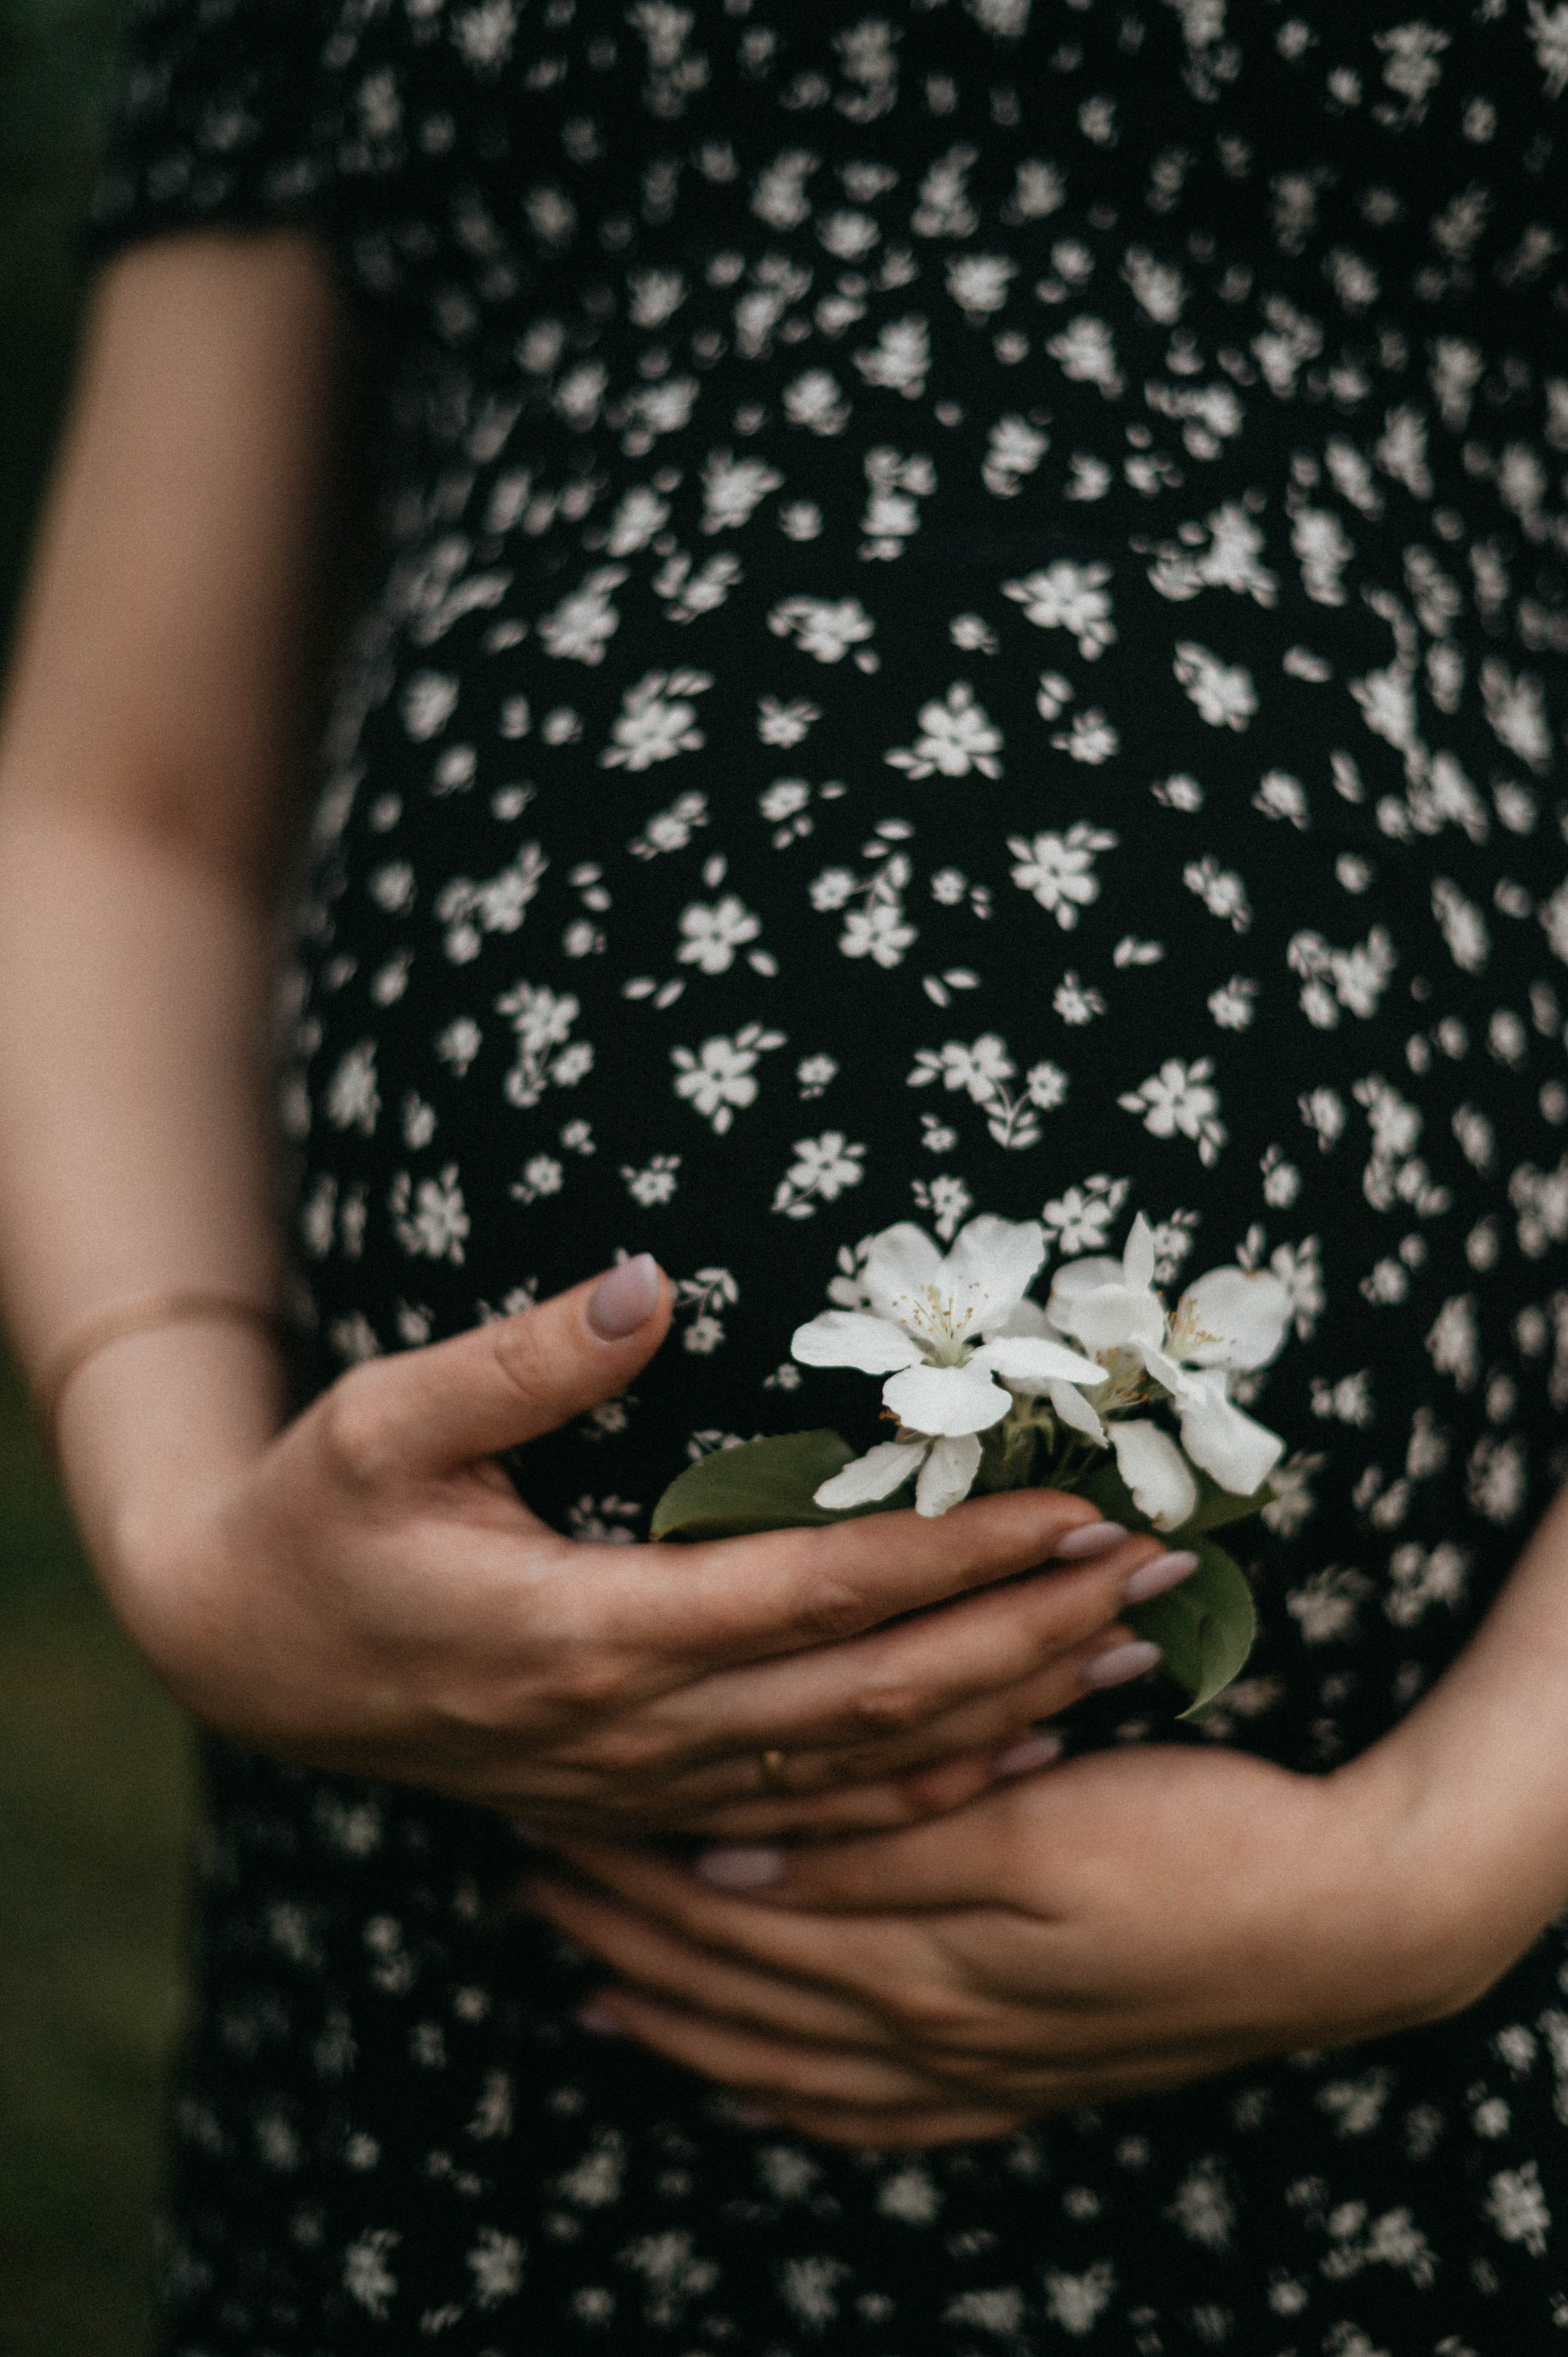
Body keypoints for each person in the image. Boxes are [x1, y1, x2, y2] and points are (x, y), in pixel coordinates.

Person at [0, 0, 1566, 2347]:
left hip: (1418, 1955)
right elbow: (124, 803)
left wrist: (1453, 1855)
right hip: (481, 1936)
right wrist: (190, 1539)